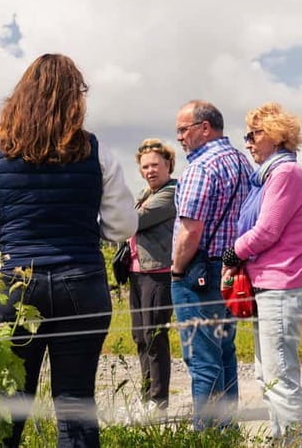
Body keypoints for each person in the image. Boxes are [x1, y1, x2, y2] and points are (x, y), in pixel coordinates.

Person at [0, 54, 137, 448]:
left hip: (15, 284)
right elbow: (122, 226)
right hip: (81, 283)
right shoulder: (96, 151)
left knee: (9, 402)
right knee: (75, 404)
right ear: (76, 99)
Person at [221, 102, 302, 445]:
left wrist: (231, 253)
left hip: (282, 286)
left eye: (254, 134)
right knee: (267, 375)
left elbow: (267, 230)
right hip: (270, 286)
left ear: (275, 136)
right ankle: (281, 439)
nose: (247, 142)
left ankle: (294, 442)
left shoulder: (285, 174)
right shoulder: (269, 177)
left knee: (280, 378)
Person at [170, 100, 252, 430]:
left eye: (183, 129)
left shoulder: (201, 167)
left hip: (199, 272)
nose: (179, 137)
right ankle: (227, 429)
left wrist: (177, 270)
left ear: (205, 128)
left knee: (201, 357)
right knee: (224, 351)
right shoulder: (243, 163)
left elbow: (191, 231)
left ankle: (204, 434)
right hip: (231, 270)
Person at [127, 138, 177, 413]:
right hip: (137, 271)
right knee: (140, 336)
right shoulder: (144, 194)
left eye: (155, 164)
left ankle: (158, 402)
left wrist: (125, 214)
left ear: (168, 164)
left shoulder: (170, 193)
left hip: (158, 272)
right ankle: (147, 397)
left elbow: (134, 220)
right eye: (145, 166)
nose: (150, 170)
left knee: (155, 336)